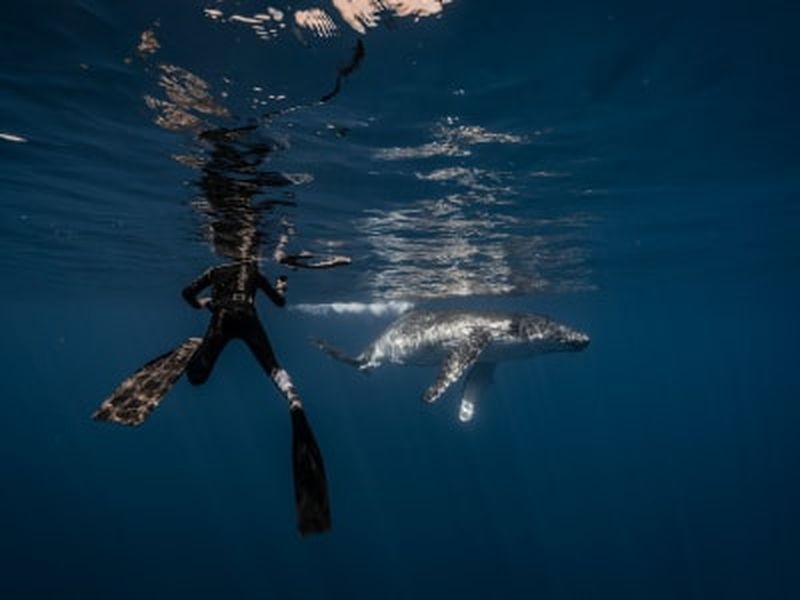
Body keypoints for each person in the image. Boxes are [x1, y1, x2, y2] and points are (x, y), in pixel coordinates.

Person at [182, 259, 330, 535]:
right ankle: (291, 395)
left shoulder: (213, 271)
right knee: (274, 367)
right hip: (249, 318)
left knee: (197, 378)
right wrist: (282, 287)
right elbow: (280, 302)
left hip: (222, 318)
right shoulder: (253, 270)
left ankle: (194, 359)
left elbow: (186, 293)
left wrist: (203, 303)